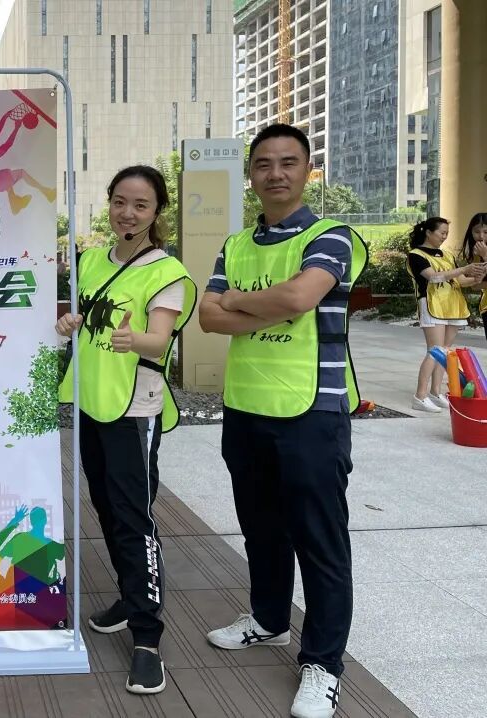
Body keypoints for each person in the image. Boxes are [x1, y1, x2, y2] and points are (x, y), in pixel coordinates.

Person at [199, 124, 369, 718]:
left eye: (288, 162)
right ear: (250, 174)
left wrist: (238, 301)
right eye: (264, 164)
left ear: (306, 170)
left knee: (319, 541)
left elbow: (300, 299)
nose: (276, 173)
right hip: (245, 409)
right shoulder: (236, 245)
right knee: (261, 529)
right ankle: (269, 620)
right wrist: (267, 302)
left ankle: (323, 663)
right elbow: (208, 319)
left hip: (311, 412)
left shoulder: (332, 237)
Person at [56, 166, 197, 695]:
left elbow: (160, 340)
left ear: (157, 211)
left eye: (140, 205)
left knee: (134, 517)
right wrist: (67, 323)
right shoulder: (91, 260)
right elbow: (79, 322)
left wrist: (134, 339)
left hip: (135, 408)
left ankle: (147, 637)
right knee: (108, 508)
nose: (128, 213)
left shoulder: (166, 271)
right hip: (93, 403)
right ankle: (128, 596)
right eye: (120, 202)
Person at [406, 217, 482, 411]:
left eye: (447, 233)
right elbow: (433, 277)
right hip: (432, 305)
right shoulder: (415, 255)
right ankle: (420, 396)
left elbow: (461, 281)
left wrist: (476, 276)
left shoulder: (447, 254)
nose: (445, 237)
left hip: (453, 306)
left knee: (445, 351)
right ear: (428, 232)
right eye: (442, 233)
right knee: (435, 350)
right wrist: (464, 269)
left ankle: (435, 392)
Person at [459, 213, 487, 341]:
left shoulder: (482, 252)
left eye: (486, 232)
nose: (481, 236)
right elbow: (475, 285)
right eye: (477, 232)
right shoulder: (475, 252)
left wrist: (485, 255)